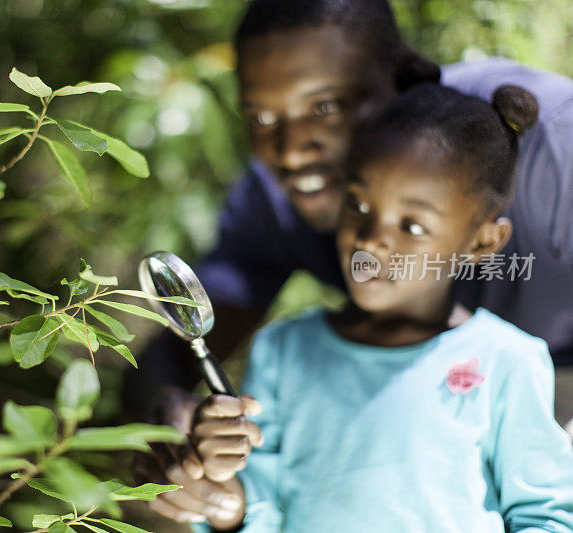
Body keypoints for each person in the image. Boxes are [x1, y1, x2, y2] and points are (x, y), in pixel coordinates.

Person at [126, 0, 573, 525]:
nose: (290, 151)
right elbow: (177, 355)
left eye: (325, 107)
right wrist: (172, 427)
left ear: (396, 82)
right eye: (262, 118)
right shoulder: (276, 205)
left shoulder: (550, 158)